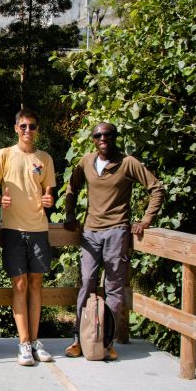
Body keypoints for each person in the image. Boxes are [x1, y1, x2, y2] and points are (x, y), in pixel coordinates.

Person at [63, 122, 164, 359]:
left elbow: (156, 188)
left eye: (107, 135)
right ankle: (79, 339)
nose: (103, 138)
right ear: (93, 139)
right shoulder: (86, 161)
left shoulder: (128, 162)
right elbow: (72, 187)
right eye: (98, 135)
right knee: (87, 283)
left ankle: (106, 342)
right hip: (90, 232)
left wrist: (146, 220)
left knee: (114, 288)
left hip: (117, 231)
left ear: (115, 137)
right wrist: (69, 215)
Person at [0, 109, 56, 367]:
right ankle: (23, 343)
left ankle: (36, 341)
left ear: (37, 129)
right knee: (19, 285)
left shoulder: (45, 158)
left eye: (33, 126)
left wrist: (49, 199)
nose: (28, 131)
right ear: (16, 128)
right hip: (13, 229)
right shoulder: (4, 155)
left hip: (39, 227)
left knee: (36, 284)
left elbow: (48, 191)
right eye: (24, 126)